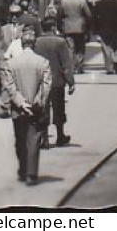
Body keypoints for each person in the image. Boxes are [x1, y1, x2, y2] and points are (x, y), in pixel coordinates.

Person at [0, 25, 51, 186]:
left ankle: (22, 169)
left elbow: (9, 86)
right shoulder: (42, 62)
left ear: (22, 44)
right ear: (34, 44)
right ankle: (31, 174)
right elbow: (46, 85)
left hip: (18, 109)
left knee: (20, 140)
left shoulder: (12, 64)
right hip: (35, 109)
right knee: (34, 140)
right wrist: (37, 101)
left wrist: (21, 103)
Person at [31, 19, 75, 148]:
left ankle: (44, 139)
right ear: (54, 27)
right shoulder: (60, 42)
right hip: (57, 81)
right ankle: (60, 136)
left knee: (42, 109)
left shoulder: (36, 42)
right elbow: (66, 64)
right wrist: (71, 81)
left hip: (40, 81)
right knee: (58, 109)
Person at [57, 0, 91, 70]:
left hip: (68, 27)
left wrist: (59, 27)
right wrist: (88, 28)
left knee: (70, 48)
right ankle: (79, 65)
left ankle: (71, 66)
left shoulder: (64, 2)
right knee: (80, 48)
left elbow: (59, 15)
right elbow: (89, 15)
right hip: (80, 28)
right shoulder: (82, 1)